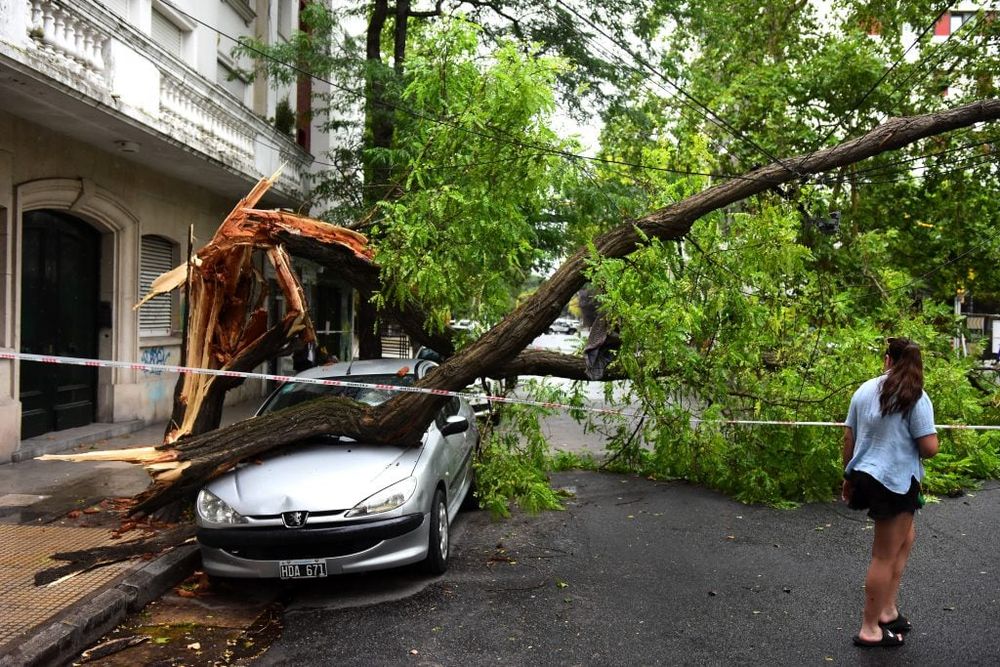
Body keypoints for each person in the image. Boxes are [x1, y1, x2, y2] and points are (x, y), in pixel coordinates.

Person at [842, 337, 939, 648]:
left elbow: (849, 437)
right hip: (894, 482)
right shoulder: (914, 395)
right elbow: (929, 447)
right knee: (883, 555)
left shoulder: (863, 390)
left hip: (866, 476)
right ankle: (869, 628)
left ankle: (887, 609)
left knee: (905, 538)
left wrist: (848, 476)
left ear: (887, 360)